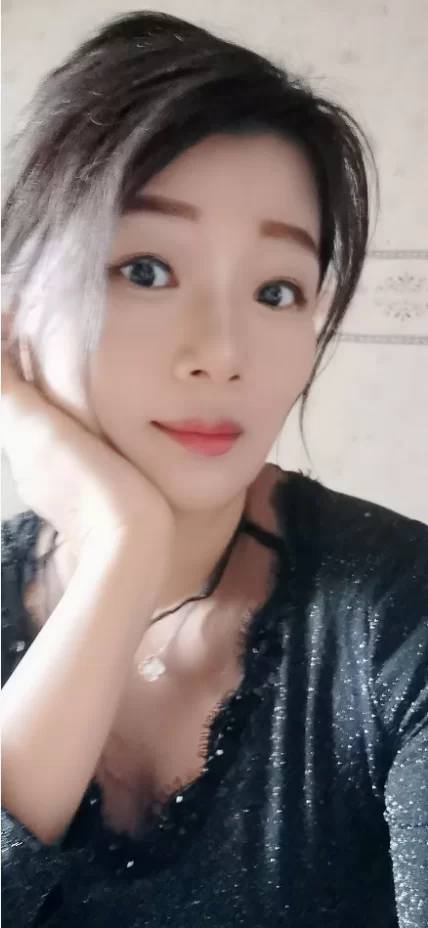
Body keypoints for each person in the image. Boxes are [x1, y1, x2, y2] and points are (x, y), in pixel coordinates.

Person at [1, 10, 427, 928]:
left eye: (276, 290)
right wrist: (123, 547)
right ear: (16, 303)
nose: (224, 354)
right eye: (146, 269)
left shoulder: (401, 614)